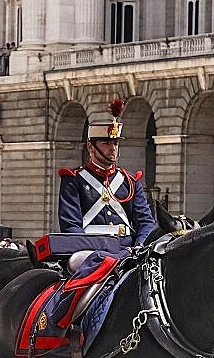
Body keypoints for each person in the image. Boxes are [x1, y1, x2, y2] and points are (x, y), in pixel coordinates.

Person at [57, 98, 156, 249]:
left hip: (129, 251)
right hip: (90, 251)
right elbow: (71, 226)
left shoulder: (130, 181)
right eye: (106, 143)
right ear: (91, 147)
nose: (113, 148)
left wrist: (140, 246)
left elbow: (145, 222)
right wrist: (91, 249)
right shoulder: (73, 180)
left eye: (115, 143)